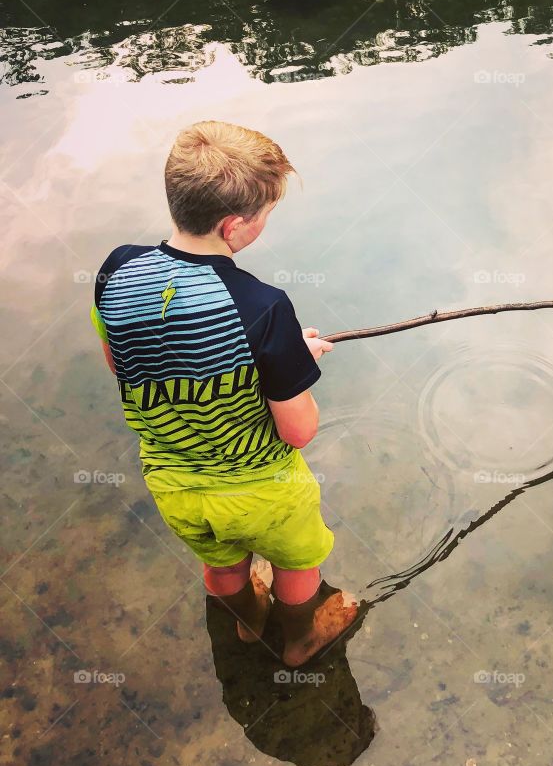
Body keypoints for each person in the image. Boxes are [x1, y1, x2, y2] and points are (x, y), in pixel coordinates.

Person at [89, 120, 358, 667]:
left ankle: (248, 623)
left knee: (222, 565)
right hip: (265, 489)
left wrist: (275, 356)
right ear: (234, 226)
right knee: (296, 563)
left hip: (174, 481)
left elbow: (121, 364)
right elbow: (298, 432)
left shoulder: (117, 269)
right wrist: (293, 360)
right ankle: (300, 642)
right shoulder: (263, 306)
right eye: (266, 214)